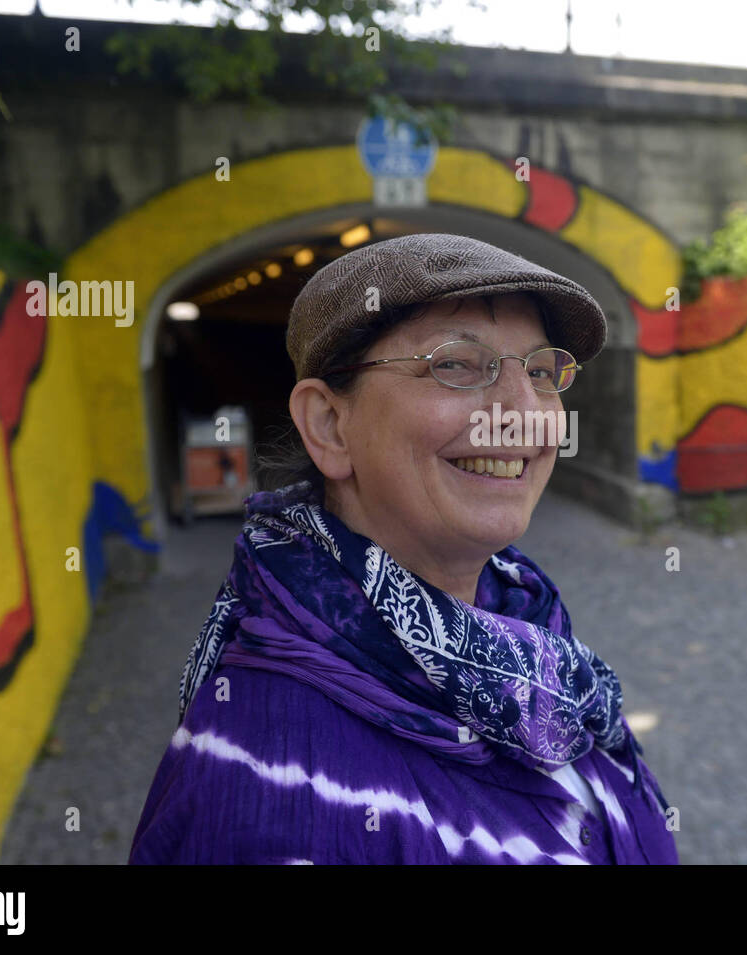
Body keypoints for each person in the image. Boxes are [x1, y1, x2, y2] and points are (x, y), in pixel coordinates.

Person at [129, 232, 678, 864]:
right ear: (330, 426)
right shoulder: (267, 790)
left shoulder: (527, 629)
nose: (524, 412)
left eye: (540, 372)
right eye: (455, 364)